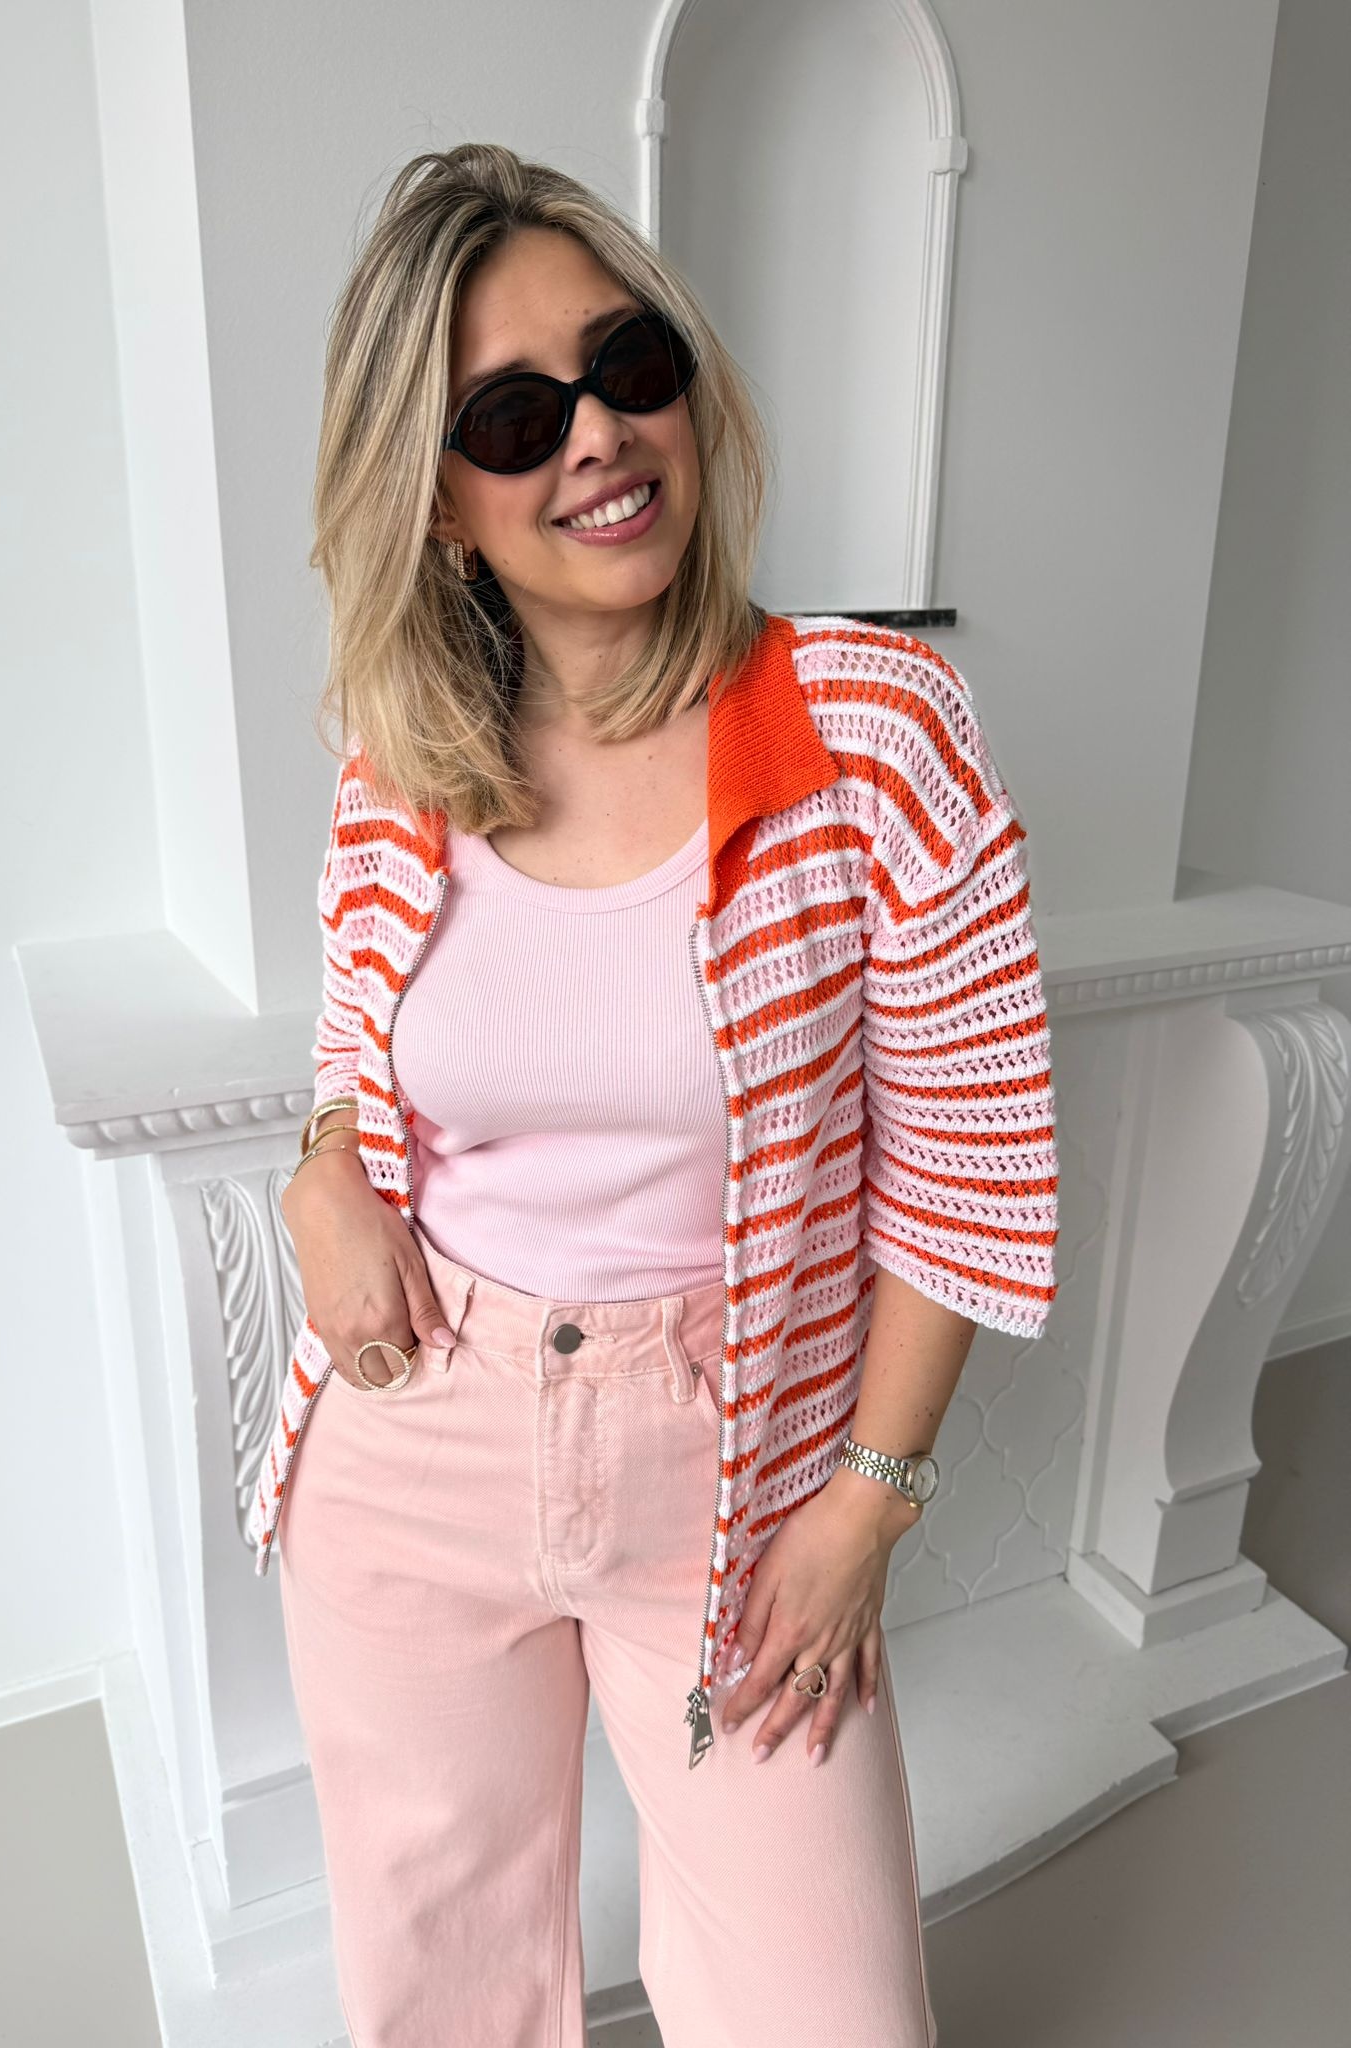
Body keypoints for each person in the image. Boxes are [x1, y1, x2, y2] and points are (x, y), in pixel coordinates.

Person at [250, 141, 1059, 2048]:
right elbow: (357, 1061)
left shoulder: (873, 733)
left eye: (627, 366)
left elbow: (972, 1168)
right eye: (515, 417)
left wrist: (865, 1505)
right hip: (413, 1435)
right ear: (441, 502)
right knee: (440, 1993)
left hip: (739, 1451)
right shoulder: (402, 760)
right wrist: (320, 1176)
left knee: (829, 2014)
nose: (598, 436)